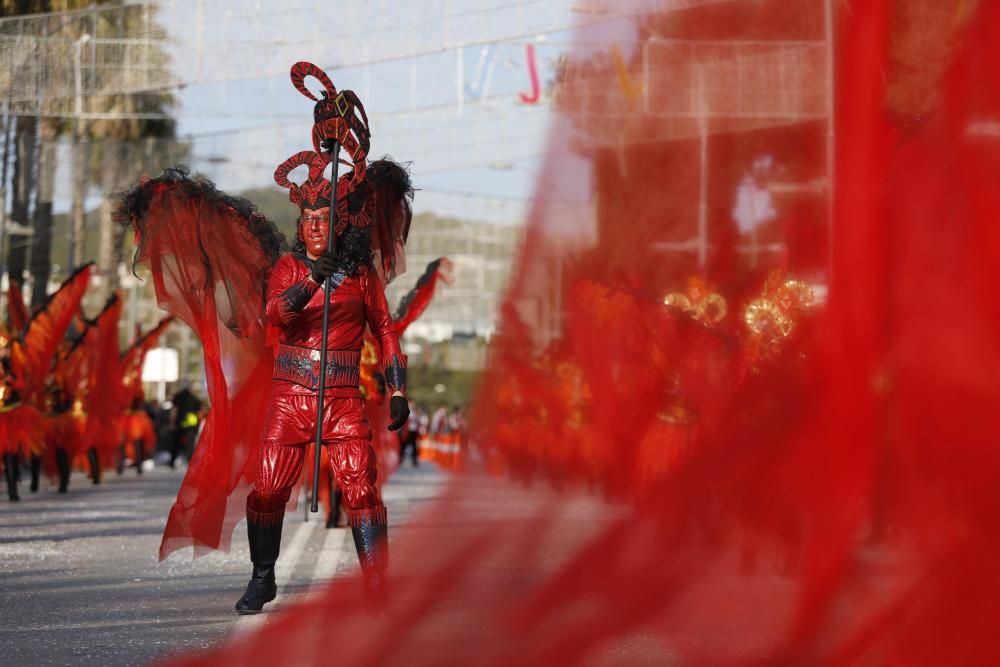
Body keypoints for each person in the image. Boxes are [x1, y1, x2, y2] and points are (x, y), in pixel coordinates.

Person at [118, 61, 415, 614]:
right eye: (306, 221)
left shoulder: (362, 275)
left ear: (340, 224)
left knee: (360, 488)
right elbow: (276, 317)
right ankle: (263, 577)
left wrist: (398, 390)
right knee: (269, 489)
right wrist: (311, 281)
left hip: (343, 394)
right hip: (290, 395)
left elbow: (387, 331)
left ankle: (377, 583)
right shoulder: (285, 268)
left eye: (323, 221)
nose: (313, 229)